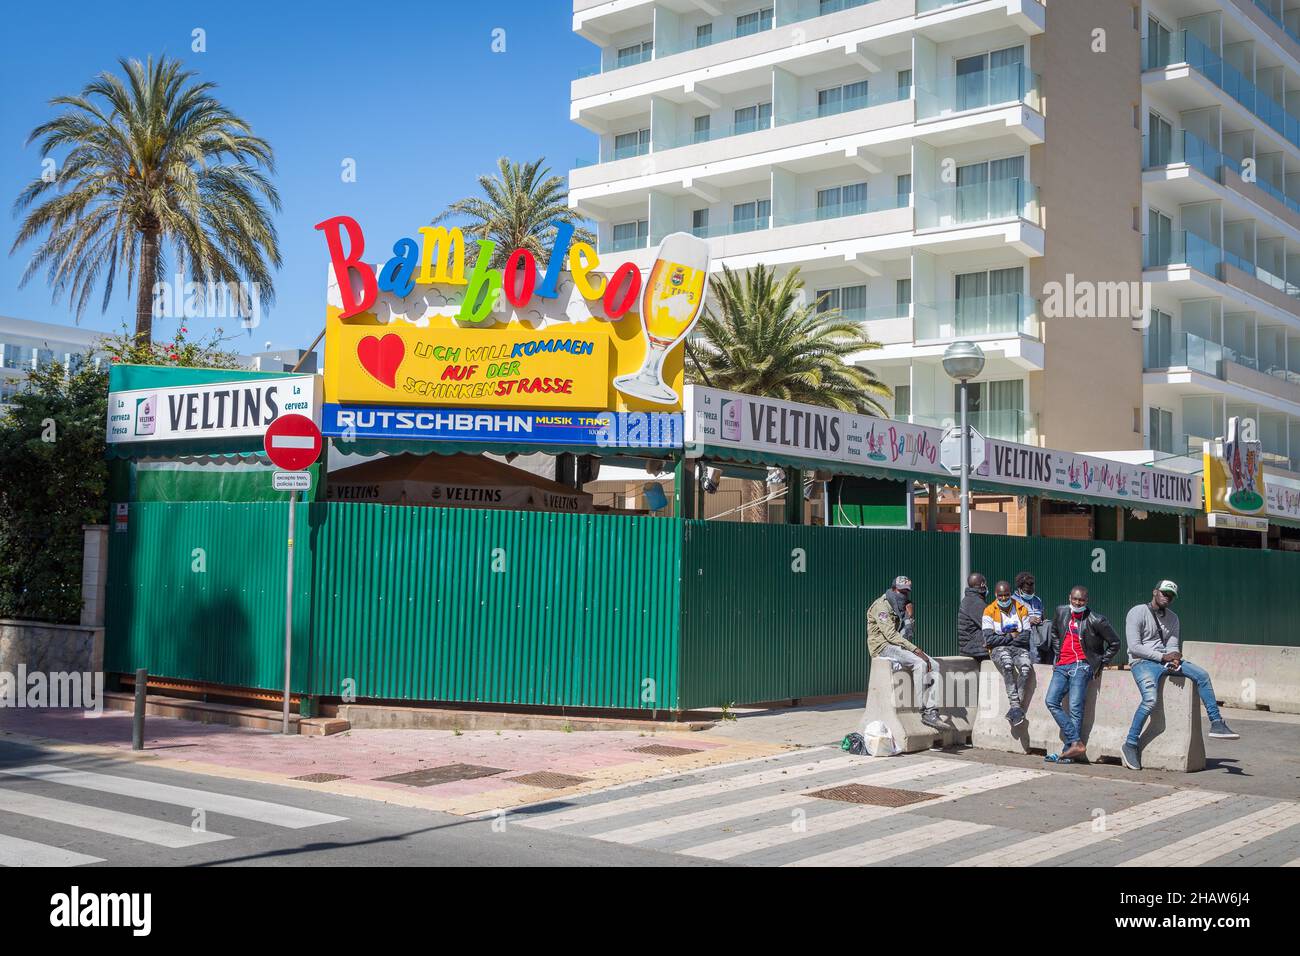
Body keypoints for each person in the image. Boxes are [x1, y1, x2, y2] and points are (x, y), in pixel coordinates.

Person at [1121, 580, 1239, 771]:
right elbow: (1134, 647)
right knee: (1150, 700)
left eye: (1170, 595)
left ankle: (1217, 723)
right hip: (1142, 662)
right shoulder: (1137, 612)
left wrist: (1174, 657)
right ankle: (1130, 744)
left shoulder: (1173, 618)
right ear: (1154, 592)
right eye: (1164, 593)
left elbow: (1173, 644)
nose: (1167, 597)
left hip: (1165, 661)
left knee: (1202, 675)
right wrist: (1162, 656)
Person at [1043, 585, 1120, 763]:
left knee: (1075, 708)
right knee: (1051, 701)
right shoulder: (1061, 611)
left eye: (1082, 600)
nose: (1078, 603)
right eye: (1075, 599)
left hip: (1082, 666)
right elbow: (1054, 632)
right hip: (1062, 665)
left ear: (1087, 601)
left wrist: (1101, 662)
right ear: (1069, 597)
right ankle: (1076, 743)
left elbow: (1115, 643)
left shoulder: (1096, 620)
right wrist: (1058, 654)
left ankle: (1068, 752)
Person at [867, 575, 945, 730]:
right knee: (919, 662)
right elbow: (890, 635)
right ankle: (924, 710)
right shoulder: (882, 606)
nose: (904, 595)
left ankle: (932, 710)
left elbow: (905, 637)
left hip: (896, 645)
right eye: (901, 591)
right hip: (882, 647)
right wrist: (916, 650)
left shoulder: (901, 607)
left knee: (934, 664)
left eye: (906, 592)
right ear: (894, 589)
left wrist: (909, 618)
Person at [982, 581, 1033, 727]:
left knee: (1025, 667)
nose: (1004, 598)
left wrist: (1003, 639)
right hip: (998, 650)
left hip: (1019, 648)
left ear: (1011, 594)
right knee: (1007, 664)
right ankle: (1016, 706)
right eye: (1000, 596)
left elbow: (1026, 637)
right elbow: (989, 639)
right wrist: (1012, 636)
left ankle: (1015, 708)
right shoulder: (989, 611)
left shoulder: (1021, 608)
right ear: (995, 595)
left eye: (1006, 595)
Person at [1013, 571, 1050, 664]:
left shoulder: (1037, 600)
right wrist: (1028, 620)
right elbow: (1010, 621)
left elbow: (1043, 617)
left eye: (1031, 590)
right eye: (1027, 591)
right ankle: (1036, 663)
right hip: (1024, 632)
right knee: (1031, 633)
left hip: (1039, 632)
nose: (1030, 593)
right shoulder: (1013, 601)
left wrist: (1043, 621)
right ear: (1019, 588)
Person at [957, 573, 990, 662]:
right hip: (975, 649)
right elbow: (989, 626)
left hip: (970, 647)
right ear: (983, 584)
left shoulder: (969, 599)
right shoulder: (976, 603)